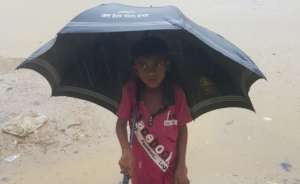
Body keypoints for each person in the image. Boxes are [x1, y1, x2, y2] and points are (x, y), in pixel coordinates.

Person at [115, 36, 192, 184]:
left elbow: (183, 129)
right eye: (143, 65)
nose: (151, 72)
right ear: (135, 68)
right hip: (139, 170)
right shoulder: (130, 91)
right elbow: (120, 125)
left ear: (166, 64)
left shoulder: (177, 94)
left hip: (170, 170)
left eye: (157, 64)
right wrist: (125, 150)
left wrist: (182, 165)